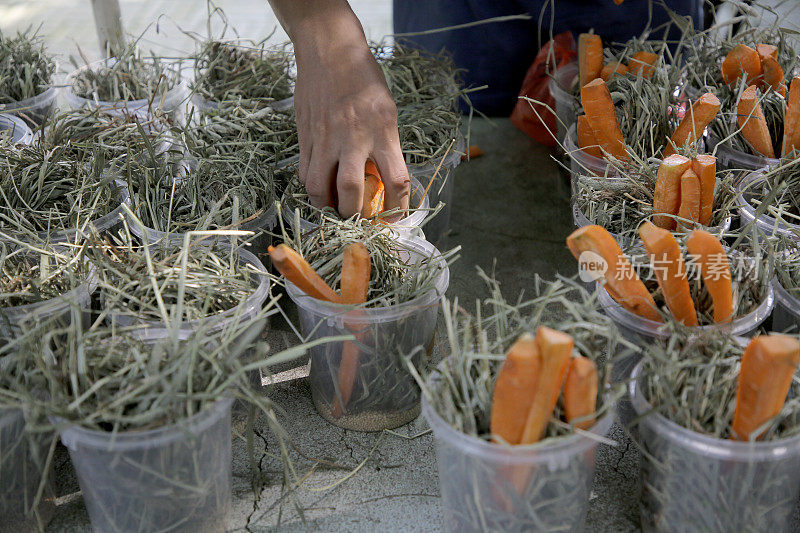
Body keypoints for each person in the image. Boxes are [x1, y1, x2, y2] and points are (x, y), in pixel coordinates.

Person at [269, 0, 703, 216]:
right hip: (463, 10)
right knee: (447, 125)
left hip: (635, 11)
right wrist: (325, 36)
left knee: (642, 139)